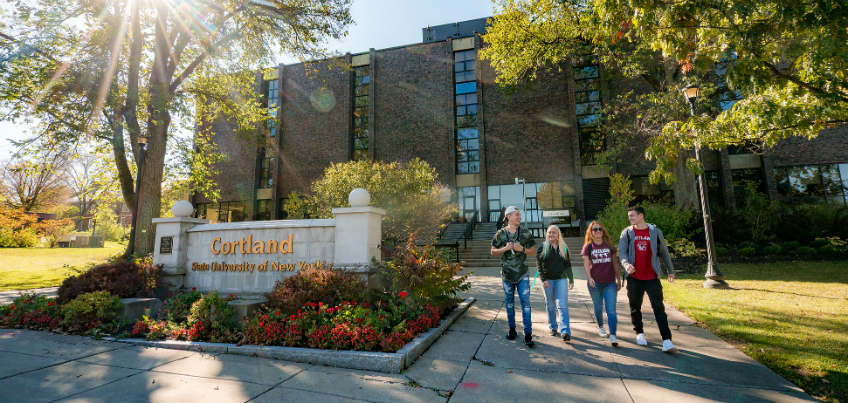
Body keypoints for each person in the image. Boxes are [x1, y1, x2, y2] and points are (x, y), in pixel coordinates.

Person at [618, 206, 676, 352]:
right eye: (629, 216)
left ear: (641, 216)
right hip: (634, 278)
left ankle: (667, 340)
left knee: (659, 308)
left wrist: (670, 270)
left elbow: (664, 252)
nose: (630, 218)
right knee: (635, 307)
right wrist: (626, 265)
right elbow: (622, 253)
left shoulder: (655, 232)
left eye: (632, 216)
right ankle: (639, 333)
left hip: (652, 277)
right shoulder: (627, 233)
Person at [491, 205, 537, 347]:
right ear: (509, 217)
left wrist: (522, 249)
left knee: (526, 304)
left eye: (519, 214)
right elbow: (492, 251)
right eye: (516, 214)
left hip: (522, 274)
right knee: (509, 304)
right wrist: (504, 248)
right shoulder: (500, 234)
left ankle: (528, 334)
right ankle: (512, 330)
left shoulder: (525, 233)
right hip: (507, 276)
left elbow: (533, 250)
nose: (519, 217)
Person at [581, 220, 622, 347]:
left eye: (600, 229)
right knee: (598, 307)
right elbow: (586, 264)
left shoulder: (609, 245)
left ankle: (613, 335)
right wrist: (589, 278)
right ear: (591, 232)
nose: (598, 231)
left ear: (603, 231)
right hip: (595, 284)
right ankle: (601, 327)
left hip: (610, 283)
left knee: (611, 311)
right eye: (595, 229)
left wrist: (618, 279)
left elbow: (615, 263)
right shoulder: (588, 247)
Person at [536, 225, 574, 342]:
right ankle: (553, 327)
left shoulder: (563, 248)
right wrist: (543, 280)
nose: (551, 234)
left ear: (558, 235)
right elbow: (539, 265)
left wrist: (571, 279)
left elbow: (567, 265)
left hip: (561, 279)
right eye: (549, 233)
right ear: (547, 234)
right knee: (550, 304)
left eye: (554, 232)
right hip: (547, 280)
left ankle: (565, 331)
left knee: (562, 305)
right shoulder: (542, 247)